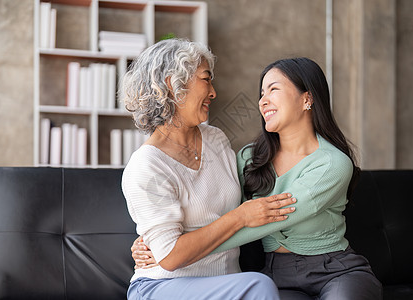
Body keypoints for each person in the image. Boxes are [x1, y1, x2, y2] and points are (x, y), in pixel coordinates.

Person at [133, 57, 383, 299]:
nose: (263, 101)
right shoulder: (248, 158)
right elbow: (218, 205)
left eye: (273, 89)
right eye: (261, 94)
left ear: (307, 98)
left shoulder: (333, 163)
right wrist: (160, 242)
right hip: (277, 274)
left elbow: (273, 215)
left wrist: (181, 252)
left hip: (334, 269)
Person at [121, 38, 297, 300]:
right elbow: (170, 258)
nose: (213, 92)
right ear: (173, 85)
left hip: (224, 284)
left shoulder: (215, 139)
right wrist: (240, 217)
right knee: (259, 286)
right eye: (206, 79)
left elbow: (248, 194)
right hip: (162, 287)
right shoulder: (146, 165)